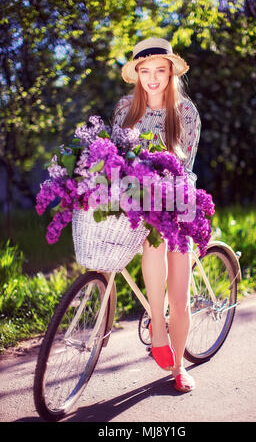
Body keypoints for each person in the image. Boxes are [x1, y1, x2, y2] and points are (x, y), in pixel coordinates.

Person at [112, 37, 201, 392]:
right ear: (136, 74)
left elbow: (187, 167)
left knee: (180, 298)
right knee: (153, 238)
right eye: (144, 71)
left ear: (170, 73)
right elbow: (115, 161)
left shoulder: (186, 112)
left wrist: (167, 194)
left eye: (159, 71)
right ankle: (156, 325)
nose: (152, 79)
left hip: (178, 197)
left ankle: (179, 366)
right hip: (141, 202)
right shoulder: (124, 110)